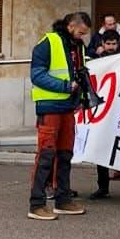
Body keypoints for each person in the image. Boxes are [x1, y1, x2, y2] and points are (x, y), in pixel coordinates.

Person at [27, 12, 91, 221]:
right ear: (71, 25)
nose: (82, 37)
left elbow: (80, 72)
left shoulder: (78, 46)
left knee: (65, 154)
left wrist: (82, 95)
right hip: (50, 106)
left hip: (67, 106)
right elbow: (37, 75)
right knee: (46, 154)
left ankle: (63, 200)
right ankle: (36, 204)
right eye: (81, 32)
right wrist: (65, 86)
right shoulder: (49, 42)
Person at [88, 32, 120, 201]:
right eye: (108, 44)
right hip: (103, 111)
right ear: (102, 44)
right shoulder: (96, 60)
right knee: (102, 149)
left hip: (118, 111)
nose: (111, 47)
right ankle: (103, 187)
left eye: (114, 44)